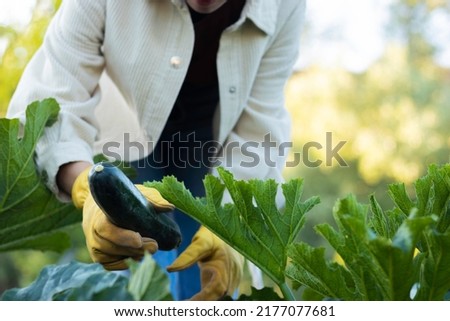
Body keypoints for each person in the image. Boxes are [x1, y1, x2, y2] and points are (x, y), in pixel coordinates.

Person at [6, 0, 306, 300]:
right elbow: (53, 97)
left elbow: (258, 127)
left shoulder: (285, 5)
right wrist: (86, 188)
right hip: (125, 124)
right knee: (131, 253)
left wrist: (234, 227)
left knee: (205, 272)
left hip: (209, 132)